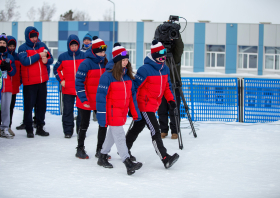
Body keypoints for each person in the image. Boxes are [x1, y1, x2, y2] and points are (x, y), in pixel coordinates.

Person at [125, 40, 179, 169]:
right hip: (144, 105)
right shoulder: (145, 69)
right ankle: (165, 157)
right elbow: (135, 88)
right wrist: (131, 107)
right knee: (155, 129)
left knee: (137, 128)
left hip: (154, 104)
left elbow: (167, 86)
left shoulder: (165, 68)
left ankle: (124, 150)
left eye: (164, 55)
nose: (163, 58)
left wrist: (171, 100)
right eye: (160, 55)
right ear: (154, 55)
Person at [96, 43, 143, 175]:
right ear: (116, 61)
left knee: (112, 135)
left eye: (127, 60)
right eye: (123, 60)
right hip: (111, 112)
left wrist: (135, 113)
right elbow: (100, 98)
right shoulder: (107, 76)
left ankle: (102, 155)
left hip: (121, 112)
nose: (125, 62)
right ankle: (127, 162)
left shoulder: (127, 76)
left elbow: (131, 98)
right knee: (120, 136)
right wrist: (102, 116)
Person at [75, 36, 109, 159]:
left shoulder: (106, 62)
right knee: (84, 125)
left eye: (104, 51)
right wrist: (83, 99)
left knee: (103, 124)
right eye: (100, 51)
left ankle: (100, 149)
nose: (103, 53)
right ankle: (80, 148)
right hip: (86, 100)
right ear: (94, 51)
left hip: (99, 100)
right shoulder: (85, 63)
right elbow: (79, 82)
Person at [18, 26, 53, 138]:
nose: (34, 39)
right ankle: (29, 129)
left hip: (42, 81)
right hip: (29, 83)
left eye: (35, 36)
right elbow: (24, 61)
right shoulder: (22, 48)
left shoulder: (42, 46)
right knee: (29, 106)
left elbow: (51, 58)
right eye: (32, 37)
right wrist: (39, 55)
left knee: (41, 106)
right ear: (28, 37)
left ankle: (40, 127)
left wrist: (46, 59)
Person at [53, 34, 84, 138]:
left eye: (76, 45)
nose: (74, 47)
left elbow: (89, 70)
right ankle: (68, 131)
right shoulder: (63, 57)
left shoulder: (84, 56)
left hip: (81, 89)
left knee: (82, 111)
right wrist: (61, 80)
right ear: (68, 46)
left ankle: (81, 130)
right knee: (67, 111)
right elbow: (56, 69)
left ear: (78, 45)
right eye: (72, 45)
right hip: (67, 89)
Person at [158, 34, 184, 139]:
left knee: (174, 108)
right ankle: (163, 129)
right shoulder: (159, 52)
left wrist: (176, 34)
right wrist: (161, 33)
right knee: (161, 109)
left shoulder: (175, 54)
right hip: (161, 85)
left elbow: (180, 47)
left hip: (174, 84)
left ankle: (175, 130)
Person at [0, 33, 16, 138]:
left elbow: (13, 71)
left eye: (3, 43)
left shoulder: (10, 57)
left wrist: (8, 67)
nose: (2, 44)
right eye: (0, 42)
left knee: (6, 108)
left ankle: (4, 128)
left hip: (7, 87)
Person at [6, 36, 21, 136]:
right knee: (3, 107)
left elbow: (20, 71)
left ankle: (8, 126)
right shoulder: (4, 56)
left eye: (13, 46)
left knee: (11, 108)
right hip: (4, 86)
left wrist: (20, 82)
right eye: (9, 45)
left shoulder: (17, 57)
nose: (11, 47)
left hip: (14, 87)